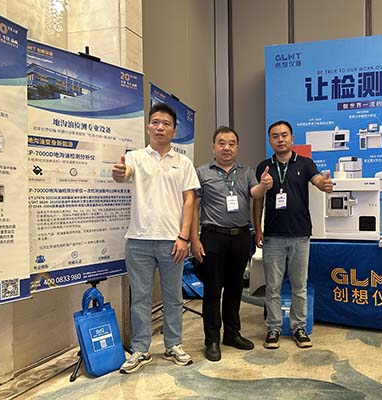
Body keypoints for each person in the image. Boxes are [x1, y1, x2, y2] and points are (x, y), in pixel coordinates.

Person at [112, 102, 200, 373]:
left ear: (174, 130)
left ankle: (173, 345)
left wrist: (184, 237)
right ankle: (140, 349)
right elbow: (124, 174)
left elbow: (189, 201)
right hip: (138, 240)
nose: (160, 127)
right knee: (140, 298)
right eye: (156, 122)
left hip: (173, 240)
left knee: (173, 297)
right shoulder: (136, 157)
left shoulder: (183, 162)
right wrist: (120, 173)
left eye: (166, 124)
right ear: (148, 127)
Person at [191, 126, 273, 362]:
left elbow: (255, 193)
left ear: (237, 147)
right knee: (212, 290)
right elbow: (194, 207)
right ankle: (211, 339)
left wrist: (264, 185)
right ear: (213, 147)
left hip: (240, 237)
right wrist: (194, 239)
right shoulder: (202, 172)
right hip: (212, 237)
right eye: (221, 143)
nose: (226, 148)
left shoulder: (246, 171)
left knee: (235, 288)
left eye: (231, 143)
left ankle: (232, 334)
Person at [253, 120, 333, 349]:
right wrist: (258, 229)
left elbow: (318, 180)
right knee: (273, 287)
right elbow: (257, 200)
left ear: (292, 138)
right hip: (273, 236)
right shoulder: (264, 167)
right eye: (275, 136)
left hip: (300, 235)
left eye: (284, 135)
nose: (280, 139)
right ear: (270, 140)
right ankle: (273, 328)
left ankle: (299, 327)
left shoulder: (305, 163)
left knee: (299, 286)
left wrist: (324, 184)